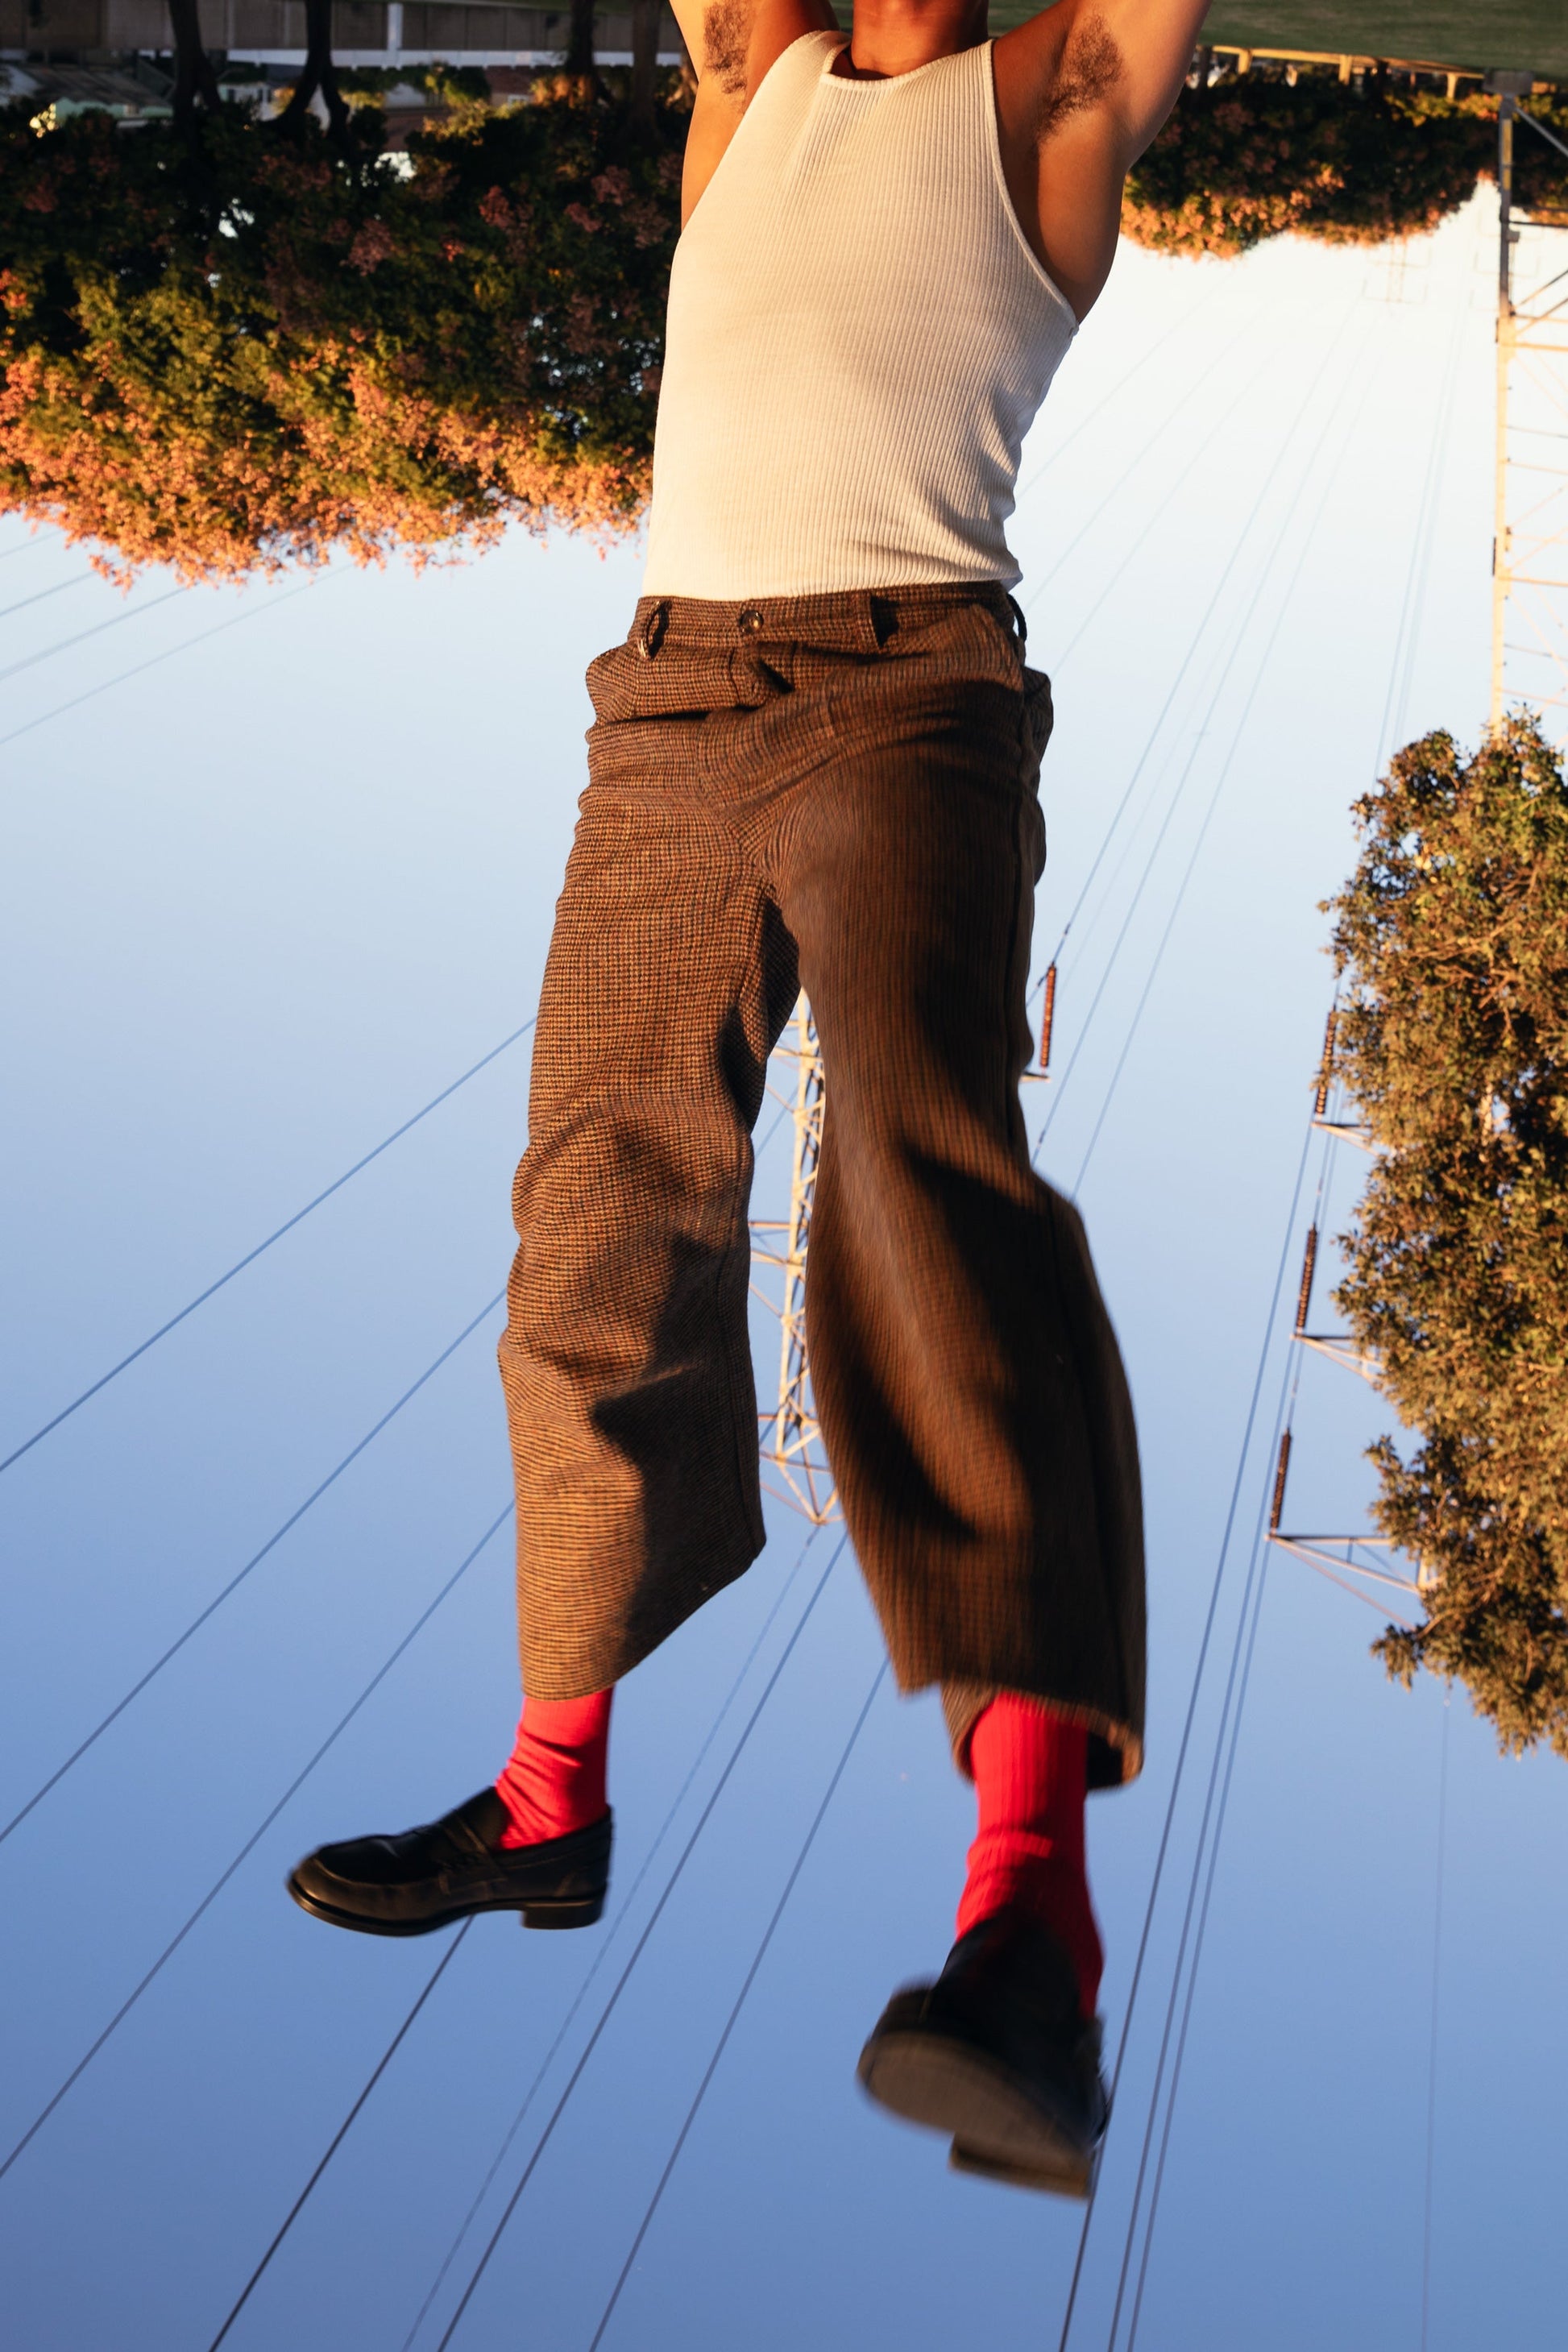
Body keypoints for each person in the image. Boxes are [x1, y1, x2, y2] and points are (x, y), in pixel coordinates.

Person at [288, 0, 1210, 2198]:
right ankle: (548, 1803)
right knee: (588, 1231)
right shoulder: (745, 92)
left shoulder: (1047, 110)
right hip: (670, 710)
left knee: (918, 1174)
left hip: (913, 691)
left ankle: (1033, 1918)